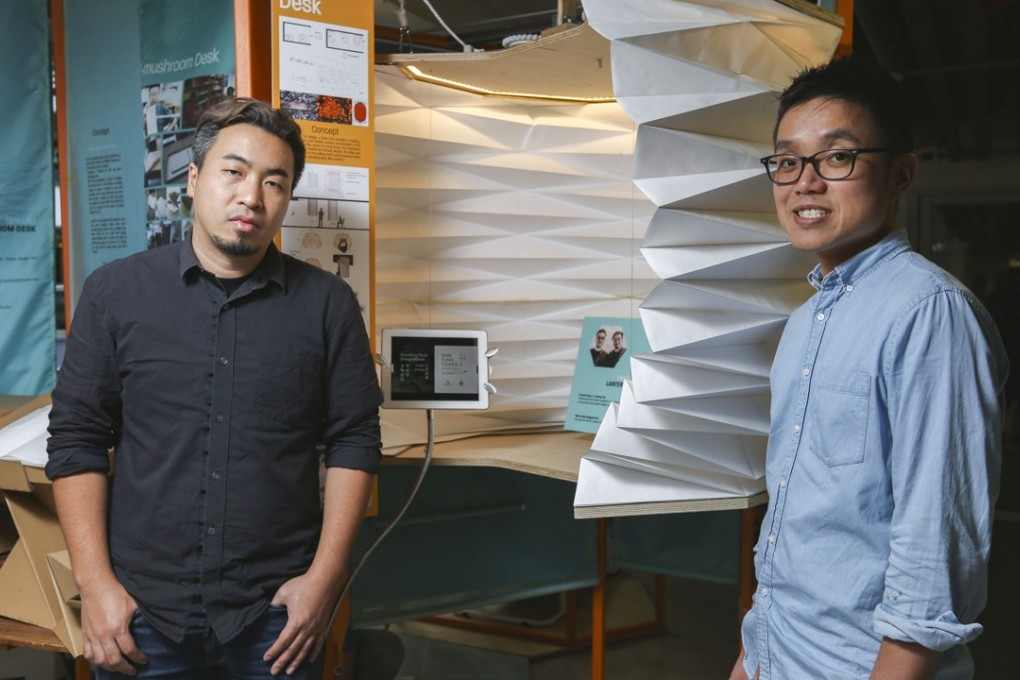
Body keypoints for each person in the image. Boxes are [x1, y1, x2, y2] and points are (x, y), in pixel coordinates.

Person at [46, 98, 383, 679]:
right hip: (140, 611)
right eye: (234, 172)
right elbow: (77, 439)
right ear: (194, 179)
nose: (252, 196)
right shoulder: (115, 294)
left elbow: (355, 440)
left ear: (288, 198)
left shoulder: (329, 305)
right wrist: (94, 584)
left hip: (277, 616)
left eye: (274, 182)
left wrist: (325, 580)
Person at [731, 56, 1008, 680]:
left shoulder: (929, 313)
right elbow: (796, 522)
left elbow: (935, 551)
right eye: (787, 161)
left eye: (837, 157)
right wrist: (751, 660)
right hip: (779, 656)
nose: (805, 183)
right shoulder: (805, 321)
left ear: (901, 174)